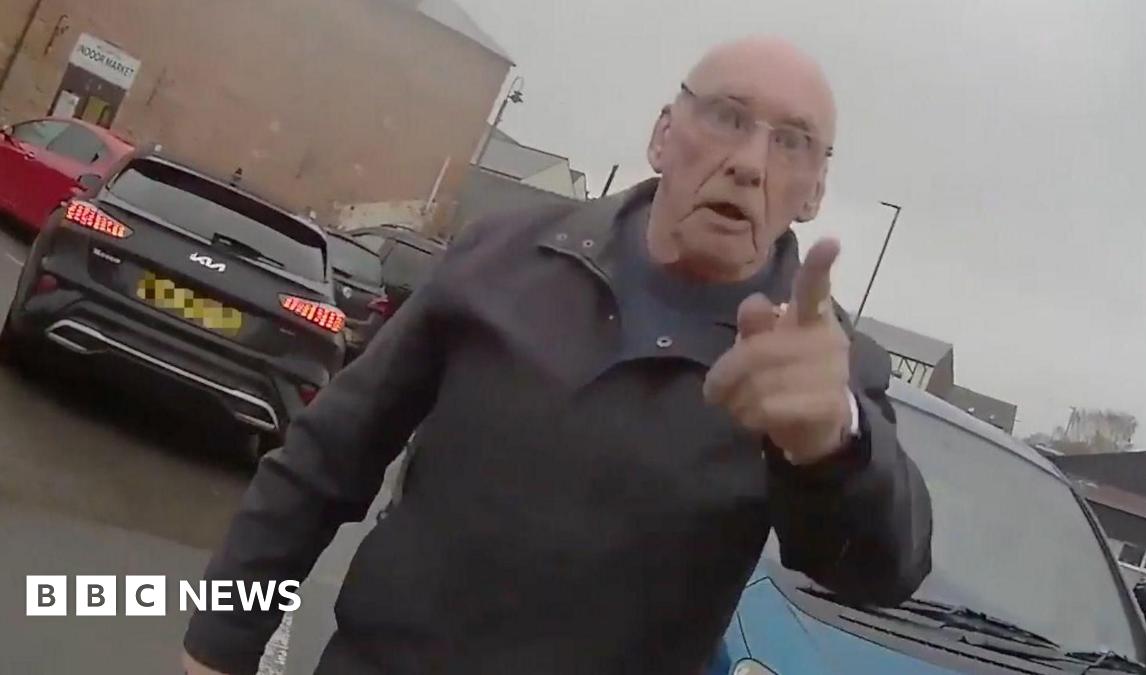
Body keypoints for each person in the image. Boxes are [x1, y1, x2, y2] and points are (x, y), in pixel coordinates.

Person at [183, 35, 932, 675]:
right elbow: (325, 459)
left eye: (790, 141)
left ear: (814, 189)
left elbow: (880, 568)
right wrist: (218, 642)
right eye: (727, 117)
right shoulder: (502, 255)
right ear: (663, 135)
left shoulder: (817, 370)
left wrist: (834, 443)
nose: (747, 160)